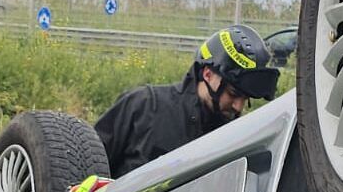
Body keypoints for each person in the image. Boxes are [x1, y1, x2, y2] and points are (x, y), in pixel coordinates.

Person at [94, 24, 281, 177]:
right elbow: (88, 164)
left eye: (245, 98)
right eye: (233, 94)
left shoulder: (236, 137)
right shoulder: (144, 106)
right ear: (208, 74)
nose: (238, 106)